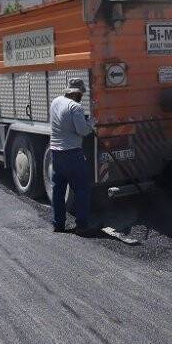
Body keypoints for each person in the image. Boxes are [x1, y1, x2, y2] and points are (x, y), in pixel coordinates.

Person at [49, 78, 97, 236]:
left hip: (55, 153)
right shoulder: (75, 107)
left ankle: (58, 224)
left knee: (58, 190)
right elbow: (82, 131)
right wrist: (91, 123)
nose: (82, 96)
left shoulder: (55, 101)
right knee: (82, 189)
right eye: (81, 93)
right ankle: (82, 226)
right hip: (72, 154)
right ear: (76, 93)